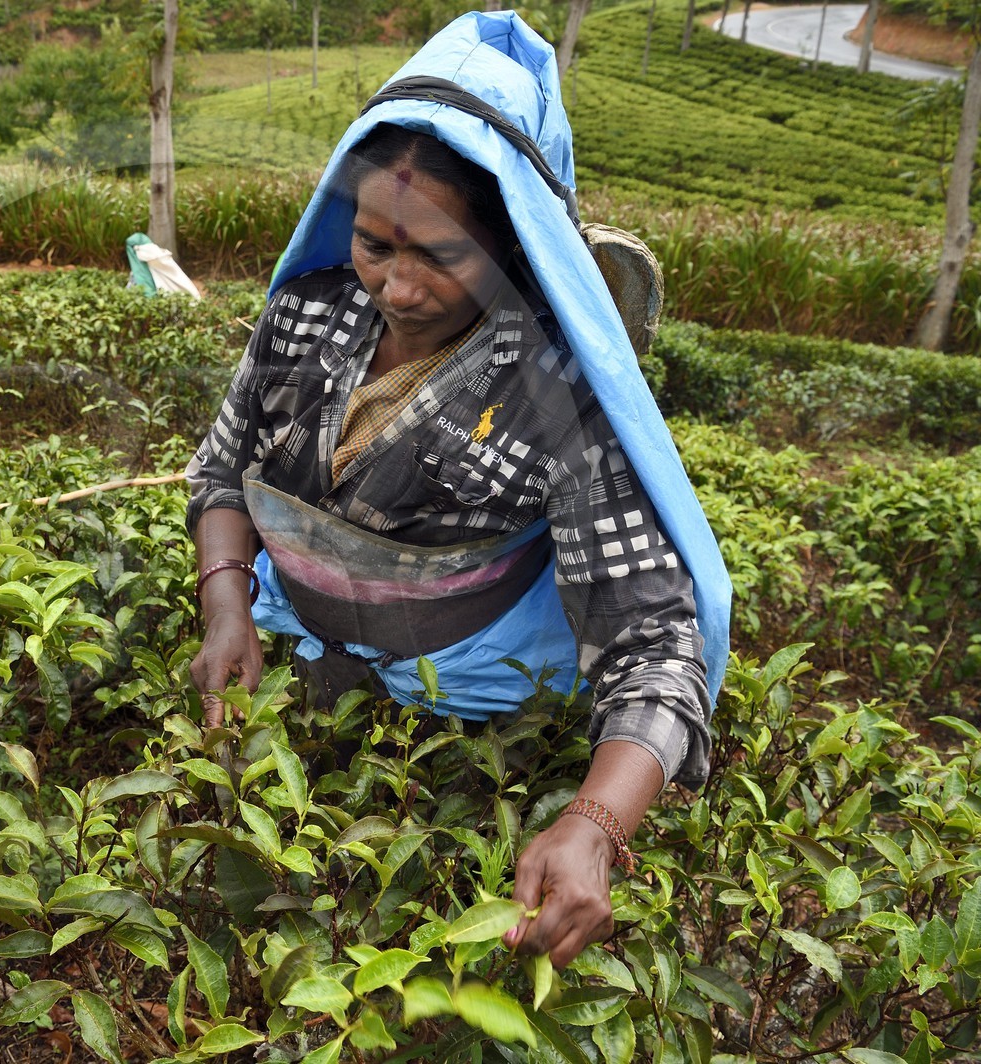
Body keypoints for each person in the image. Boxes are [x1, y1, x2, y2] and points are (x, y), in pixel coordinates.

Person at [185, 12, 731, 970]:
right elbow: (225, 465)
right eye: (372, 244)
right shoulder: (304, 314)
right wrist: (227, 605)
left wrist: (595, 823)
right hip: (285, 676)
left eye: (438, 255)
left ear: (514, 249)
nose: (394, 286)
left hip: (464, 730)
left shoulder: (553, 390)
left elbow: (651, 635)